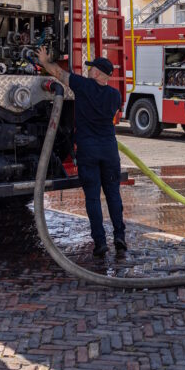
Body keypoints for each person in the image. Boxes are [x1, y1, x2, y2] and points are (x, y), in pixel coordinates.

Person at [36, 45, 126, 257]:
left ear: (96, 73)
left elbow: (59, 73)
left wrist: (44, 61)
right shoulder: (115, 95)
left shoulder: (84, 86)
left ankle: (100, 243)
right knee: (113, 195)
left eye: (91, 69)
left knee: (93, 198)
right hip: (110, 151)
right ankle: (120, 236)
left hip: (88, 151)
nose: (89, 71)